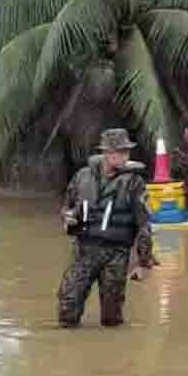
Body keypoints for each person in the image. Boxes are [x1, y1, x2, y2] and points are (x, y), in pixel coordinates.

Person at [58, 128, 155, 327]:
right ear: (106, 153)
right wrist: (67, 218)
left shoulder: (134, 183)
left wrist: (143, 262)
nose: (123, 156)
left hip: (116, 254)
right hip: (84, 250)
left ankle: (114, 354)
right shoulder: (82, 176)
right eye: (118, 151)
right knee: (67, 305)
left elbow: (144, 224)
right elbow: (67, 206)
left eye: (125, 152)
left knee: (112, 317)